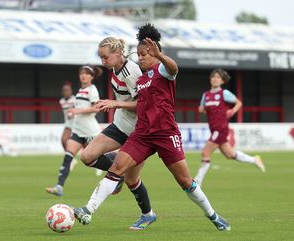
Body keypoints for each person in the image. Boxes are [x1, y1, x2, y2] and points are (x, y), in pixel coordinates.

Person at [73, 23, 231, 231]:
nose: (140, 58)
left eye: (145, 54)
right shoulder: (142, 78)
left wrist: (161, 56)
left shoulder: (163, 71)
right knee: (117, 169)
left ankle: (213, 215)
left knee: (185, 181)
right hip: (142, 134)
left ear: (156, 53)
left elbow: (174, 68)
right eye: (138, 54)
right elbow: (140, 103)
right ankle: (88, 210)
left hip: (166, 134)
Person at [77, 36, 156, 230]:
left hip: (139, 131)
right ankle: (117, 174)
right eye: (101, 57)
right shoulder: (115, 68)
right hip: (121, 125)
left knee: (132, 180)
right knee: (87, 156)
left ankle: (148, 215)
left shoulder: (132, 72)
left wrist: (115, 103)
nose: (103, 61)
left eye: (105, 57)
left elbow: (144, 105)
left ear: (118, 53)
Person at [194, 69, 266, 186]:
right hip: (213, 128)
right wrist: (206, 109)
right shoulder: (206, 95)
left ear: (222, 80)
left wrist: (232, 110)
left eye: (218, 77)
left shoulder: (224, 93)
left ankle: (198, 181)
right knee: (230, 154)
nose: (215, 79)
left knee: (205, 152)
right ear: (210, 79)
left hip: (221, 128)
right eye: (213, 77)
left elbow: (239, 103)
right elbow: (201, 109)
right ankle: (255, 159)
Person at [46, 65, 103, 196]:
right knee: (68, 157)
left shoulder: (92, 90)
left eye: (87, 73)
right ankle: (59, 186)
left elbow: (96, 108)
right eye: (81, 73)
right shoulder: (79, 91)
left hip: (90, 131)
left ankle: (118, 174)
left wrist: (77, 111)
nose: (83, 75)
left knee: (97, 160)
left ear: (92, 77)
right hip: (78, 130)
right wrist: (75, 112)